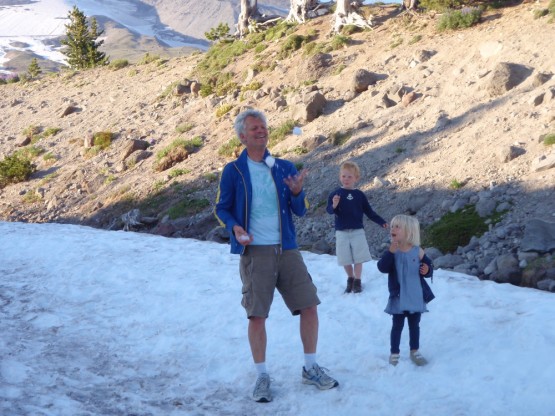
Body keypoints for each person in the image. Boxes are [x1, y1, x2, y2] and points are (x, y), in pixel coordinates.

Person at [215, 109, 338, 403]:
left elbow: (301, 209)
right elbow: (222, 208)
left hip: (288, 248)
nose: (262, 131)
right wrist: (235, 227)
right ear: (242, 136)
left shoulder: (282, 167)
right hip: (255, 251)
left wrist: (297, 192)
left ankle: (310, 367)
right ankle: (262, 376)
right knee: (257, 315)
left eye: (264, 127)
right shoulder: (234, 171)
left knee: (309, 306)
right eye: (255, 128)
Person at [377, 214, 434, 367]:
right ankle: (394, 352)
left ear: (409, 232)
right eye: (392, 226)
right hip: (399, 296)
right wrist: (390, 252)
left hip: (415, 295)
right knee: (397, 325)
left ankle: (414, 351)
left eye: (397, 226)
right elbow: (382, 268)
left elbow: (429, 267)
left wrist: (427, 270)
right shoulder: (392, 250)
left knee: (414, 325)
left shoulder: (417, 251)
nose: (393, 229)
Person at [326, 161, 388, 294]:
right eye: (344, 176)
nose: (346, 179)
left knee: (359, 257)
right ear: (340, 176)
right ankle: (350, 278)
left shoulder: (360, 195)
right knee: (344, 258)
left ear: (356, 178)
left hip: (357, 230)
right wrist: (334, 204)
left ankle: (358, 280)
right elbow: (330, 210)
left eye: (349, 176)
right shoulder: (335, 194)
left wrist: (381, 221)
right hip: (341, 231)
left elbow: (369, 212)